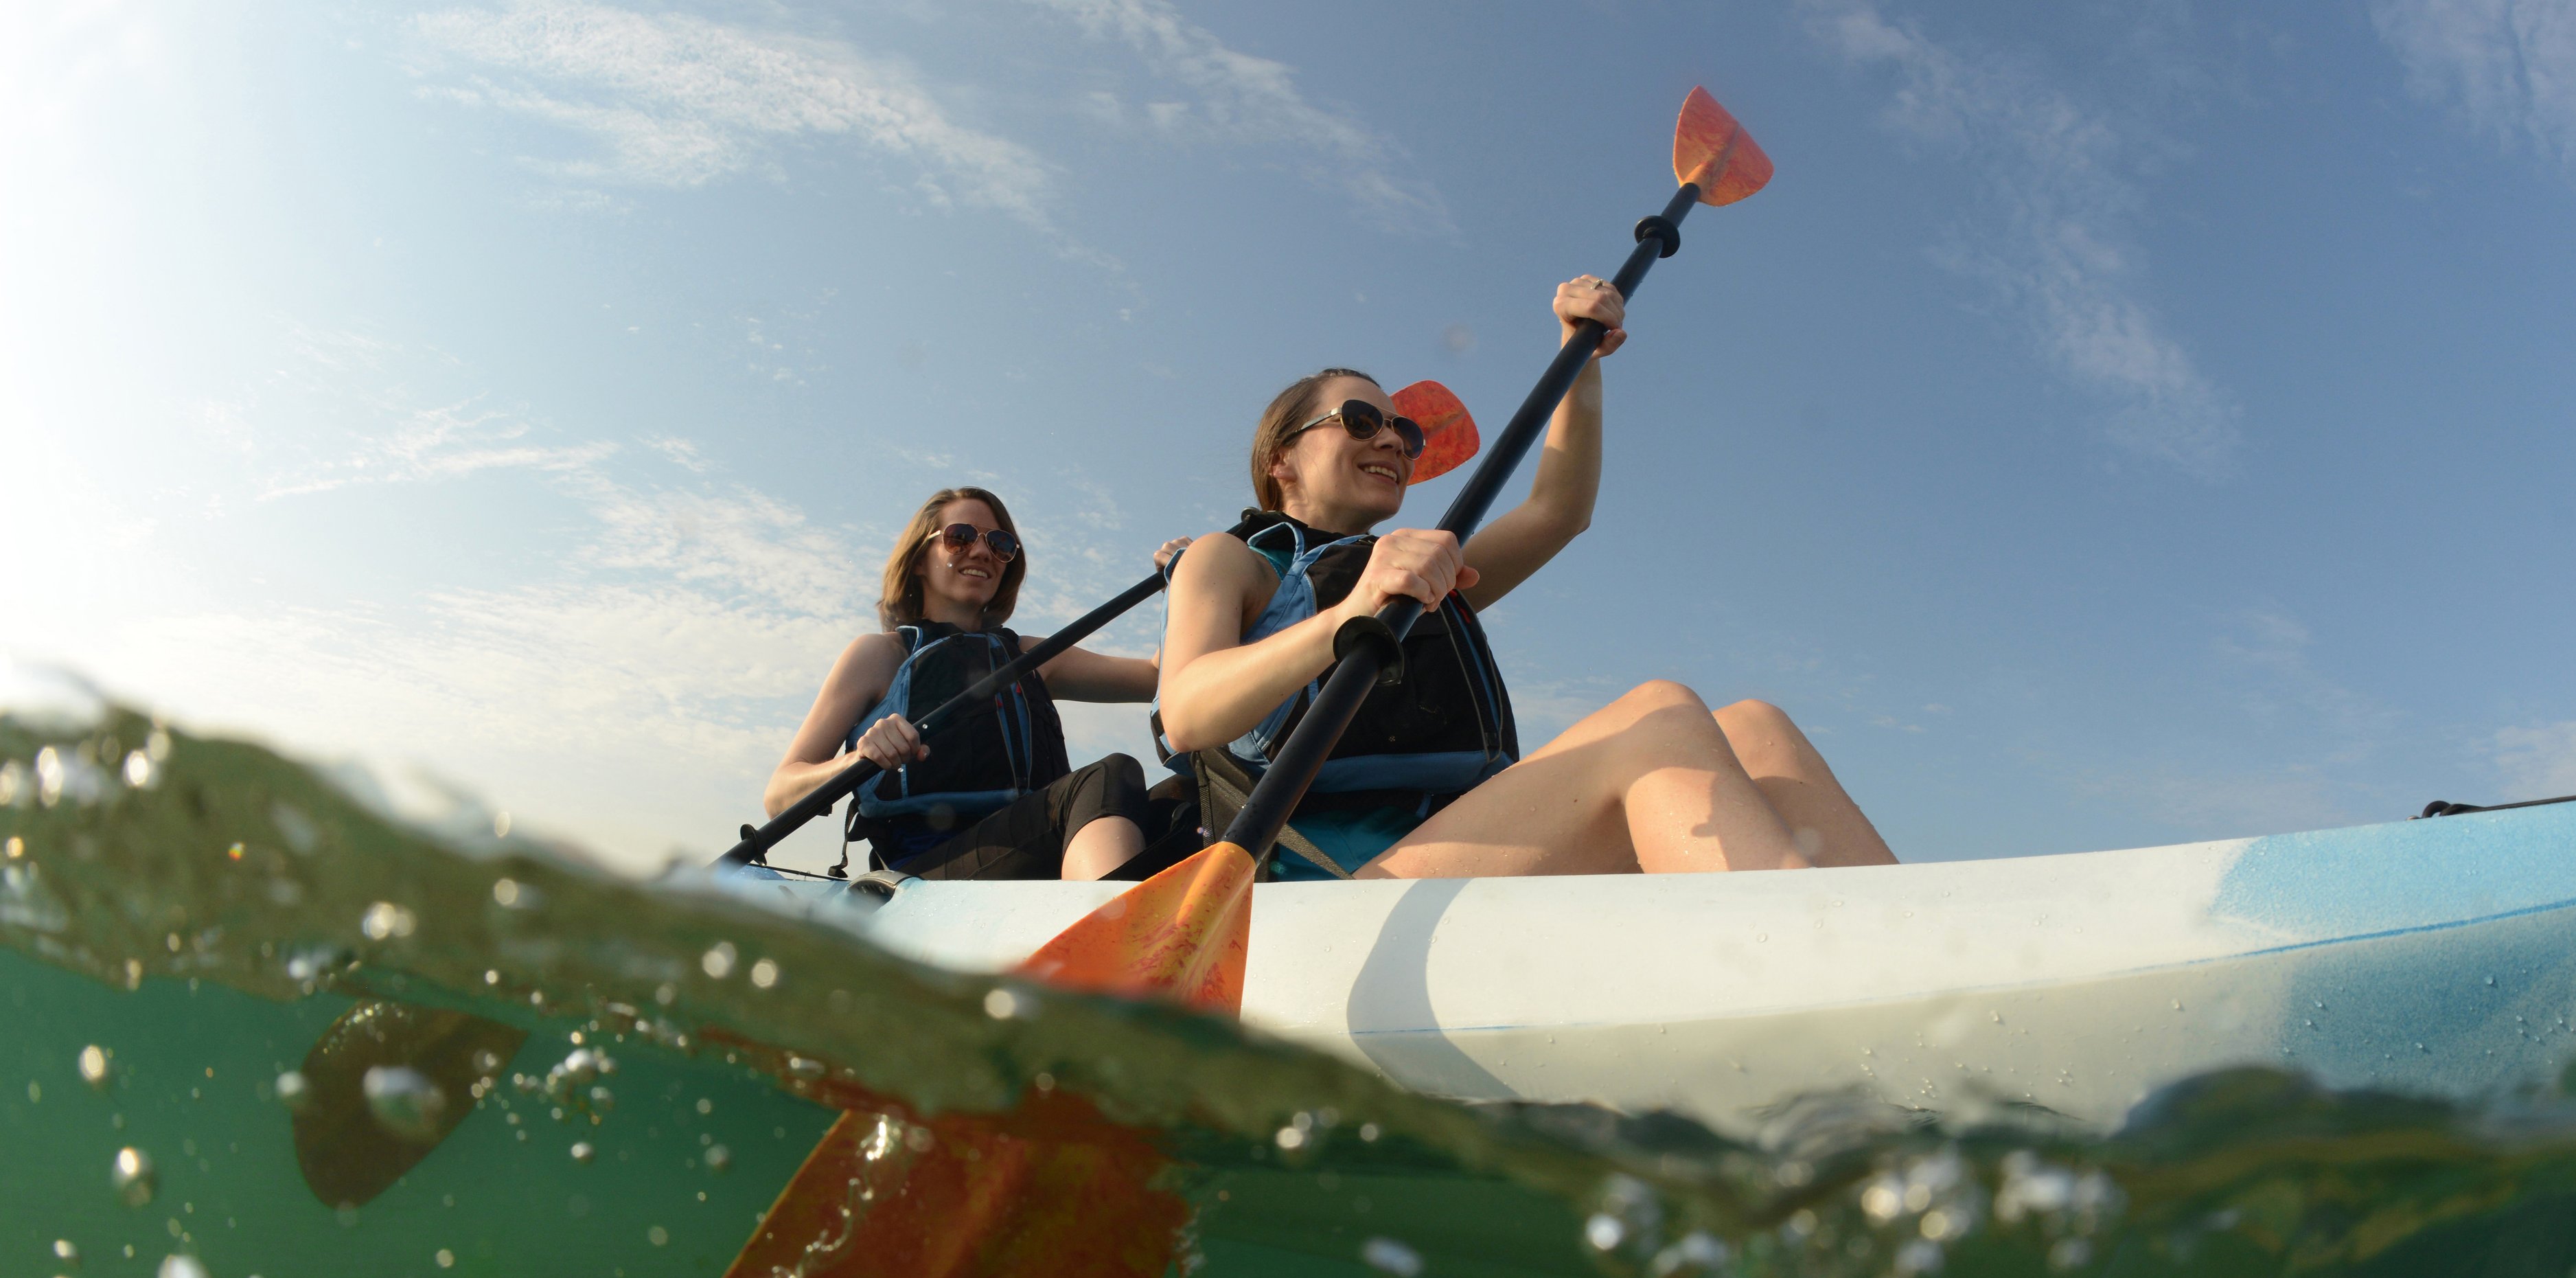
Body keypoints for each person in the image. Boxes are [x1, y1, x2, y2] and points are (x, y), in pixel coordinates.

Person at [1152, 277, 1896, 880]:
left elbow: (1556, 512)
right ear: (1280, 458)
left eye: (1403, 432)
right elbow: (1186, 712)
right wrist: (1352, 615)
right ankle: (1822, 975)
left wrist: (1582, 361)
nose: (1391, 439)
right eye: (1358, 420)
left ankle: (1906, 958)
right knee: (1659, 717)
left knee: (1755, 726)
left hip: (1464, 847)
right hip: (1332, 891)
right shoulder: (1233, 560)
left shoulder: (1421, 572)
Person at [767, 487, 1161, 880]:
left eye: (1001, 544)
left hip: (1037, 846)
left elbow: (1157, 677)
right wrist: (860, 760)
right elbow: (780, 794)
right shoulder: (880, 655)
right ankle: (1105, 933)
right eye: (960, 537)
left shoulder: (1032, 656)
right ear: (920, 559)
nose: (982, 552)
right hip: (925, 877)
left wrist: (1185, 583)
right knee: (1110, 776)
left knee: (1181, 803)